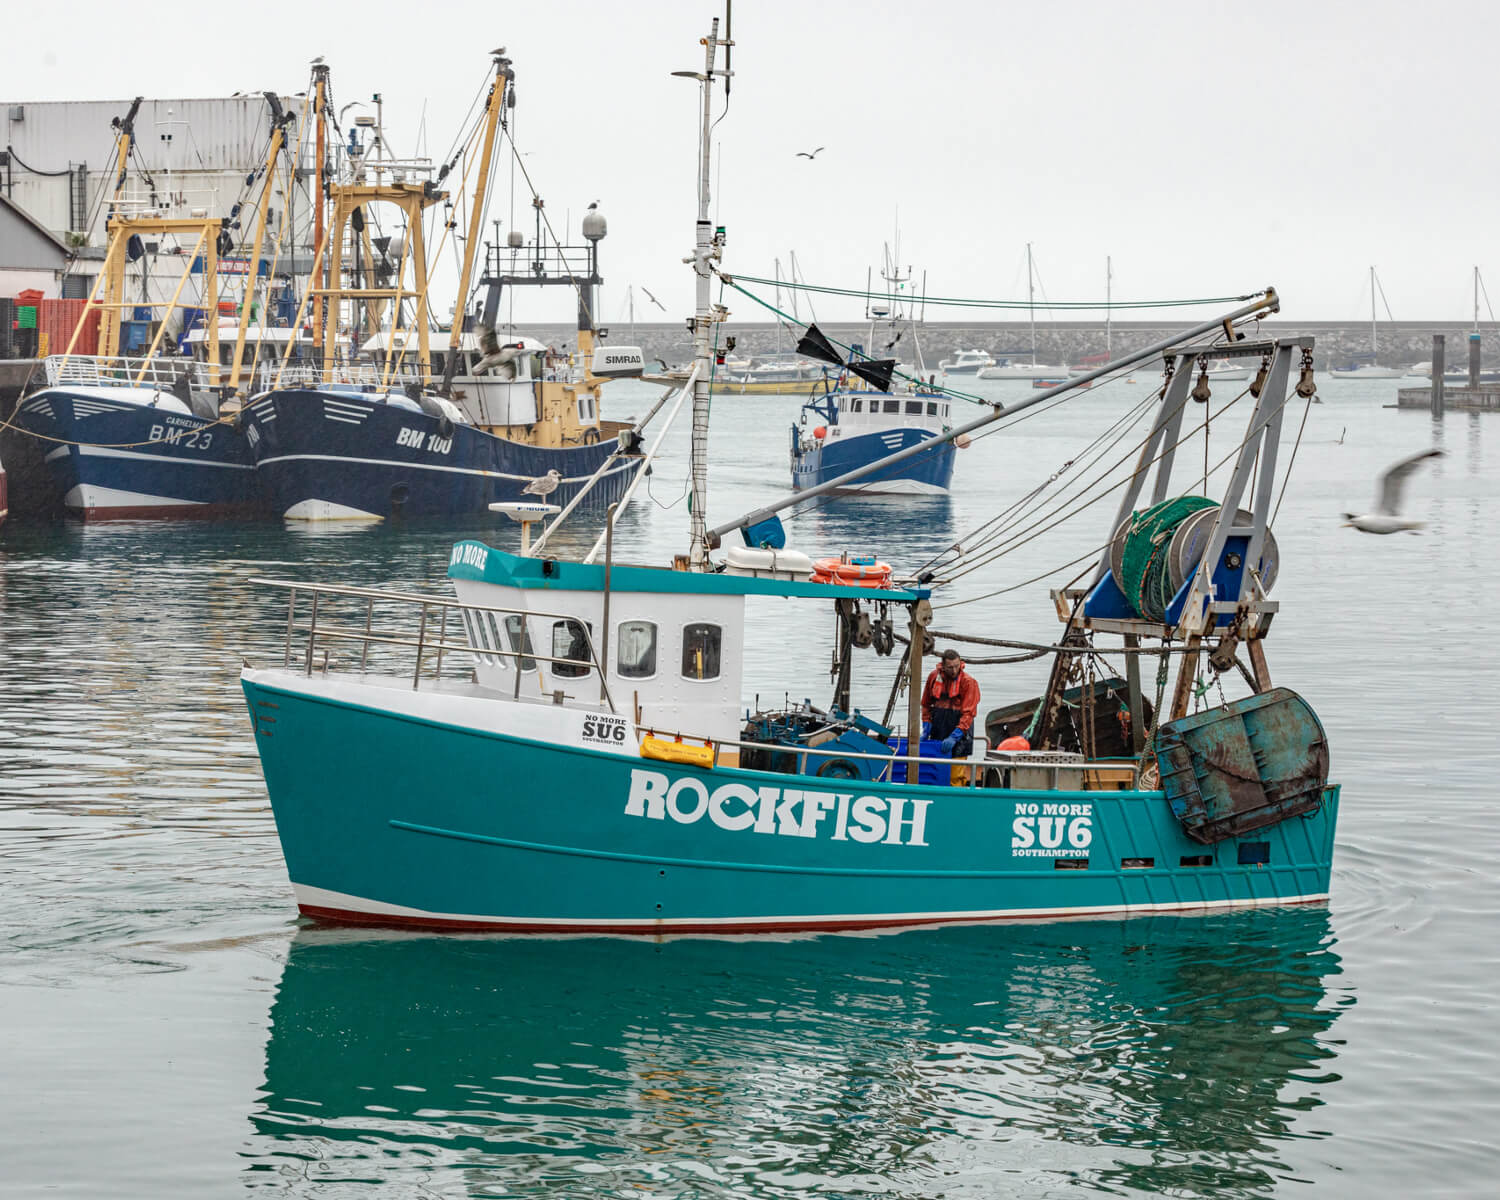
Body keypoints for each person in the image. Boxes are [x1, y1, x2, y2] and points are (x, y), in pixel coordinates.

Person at [921, 649, 980, 758]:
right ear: (943, 666)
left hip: (960, 733)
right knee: (936, 767)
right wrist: (926, 723)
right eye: (950, 667)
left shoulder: (968, 682)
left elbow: (969, 713)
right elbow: (926, 704)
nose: (954, 671)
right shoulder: (933, 677)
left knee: (956, 771)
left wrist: (955, 735)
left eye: (956, 666)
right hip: (938, 730)